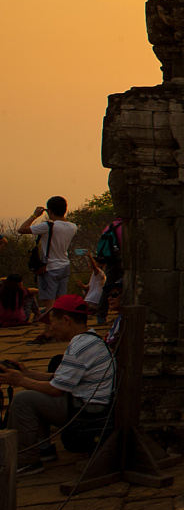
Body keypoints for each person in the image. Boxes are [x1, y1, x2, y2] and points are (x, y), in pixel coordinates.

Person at [0, 294, 115, 475]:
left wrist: (20, 380)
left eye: (52, 322)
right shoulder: (90, 340)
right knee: (35, 391)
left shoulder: (80, 346)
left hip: (88, 411)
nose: (51, 327)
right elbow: (60, 379)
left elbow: (55, 390)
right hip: (89, 405)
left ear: (66, 320)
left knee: (23, 400)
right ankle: (43, 448)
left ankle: (26, 460)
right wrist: (27, 373)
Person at [18, 197, 76, 344]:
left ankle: (48, 333)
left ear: (49, 211)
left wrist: (34, 215)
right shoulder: (72, 227)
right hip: (65, 265)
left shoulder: (48, 226)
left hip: (50, 267)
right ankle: (63, 331)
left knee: (49, 302)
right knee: (61, 301)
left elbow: (21, 229)